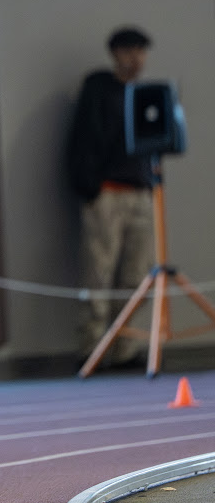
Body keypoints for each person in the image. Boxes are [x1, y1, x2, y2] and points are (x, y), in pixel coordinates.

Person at [67, 27, 155, 365]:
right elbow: (86, 138)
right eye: (130, 51)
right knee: (98, 273)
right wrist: (89, 186)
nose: (137, 59)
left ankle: (126, 348)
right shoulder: (100, 88)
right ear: (116, 53)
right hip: (106, 192)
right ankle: (91, 348)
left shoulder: (145, 95)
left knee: (136, 275)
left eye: (142, 51)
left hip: (140, 192)